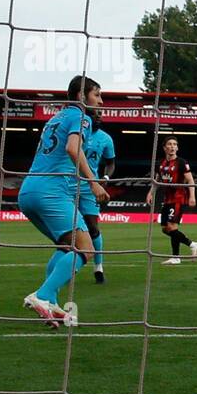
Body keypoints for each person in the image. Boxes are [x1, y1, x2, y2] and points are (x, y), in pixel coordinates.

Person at [16, 75, 108, 326]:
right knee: (85, 248)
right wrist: (93, 181)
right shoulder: (81, 117)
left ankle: (51, 303)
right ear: (81, 96)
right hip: (51, 191)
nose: (100, 101)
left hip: (29, 191)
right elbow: (72, 148)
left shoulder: (55, 118)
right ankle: (43, 295)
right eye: (97, 95)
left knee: (67, 246)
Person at [146, 136, 197, 265]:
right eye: (169, 144)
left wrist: (192, 196)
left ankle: (193, 245)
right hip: (167, 199)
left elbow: (190, 180)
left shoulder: (181, 162)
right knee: (166, 229)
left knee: (171, 227)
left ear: (177, 147)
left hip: (179, 198)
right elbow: (156, 181)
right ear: (164, 147)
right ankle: (176, 257)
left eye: (174, 144)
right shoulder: (160, 163)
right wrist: (150, 193)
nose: (172, 146)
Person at [80, 111, 116, 283]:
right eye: (95, 114)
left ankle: (98, 267)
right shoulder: (75, 132)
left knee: (92, 227)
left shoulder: (106, 139)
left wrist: (106, 178)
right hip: (66, 184)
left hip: (90, 187)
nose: (99, 117)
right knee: (66, 230)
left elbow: (111, 163)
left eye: (100, 115)